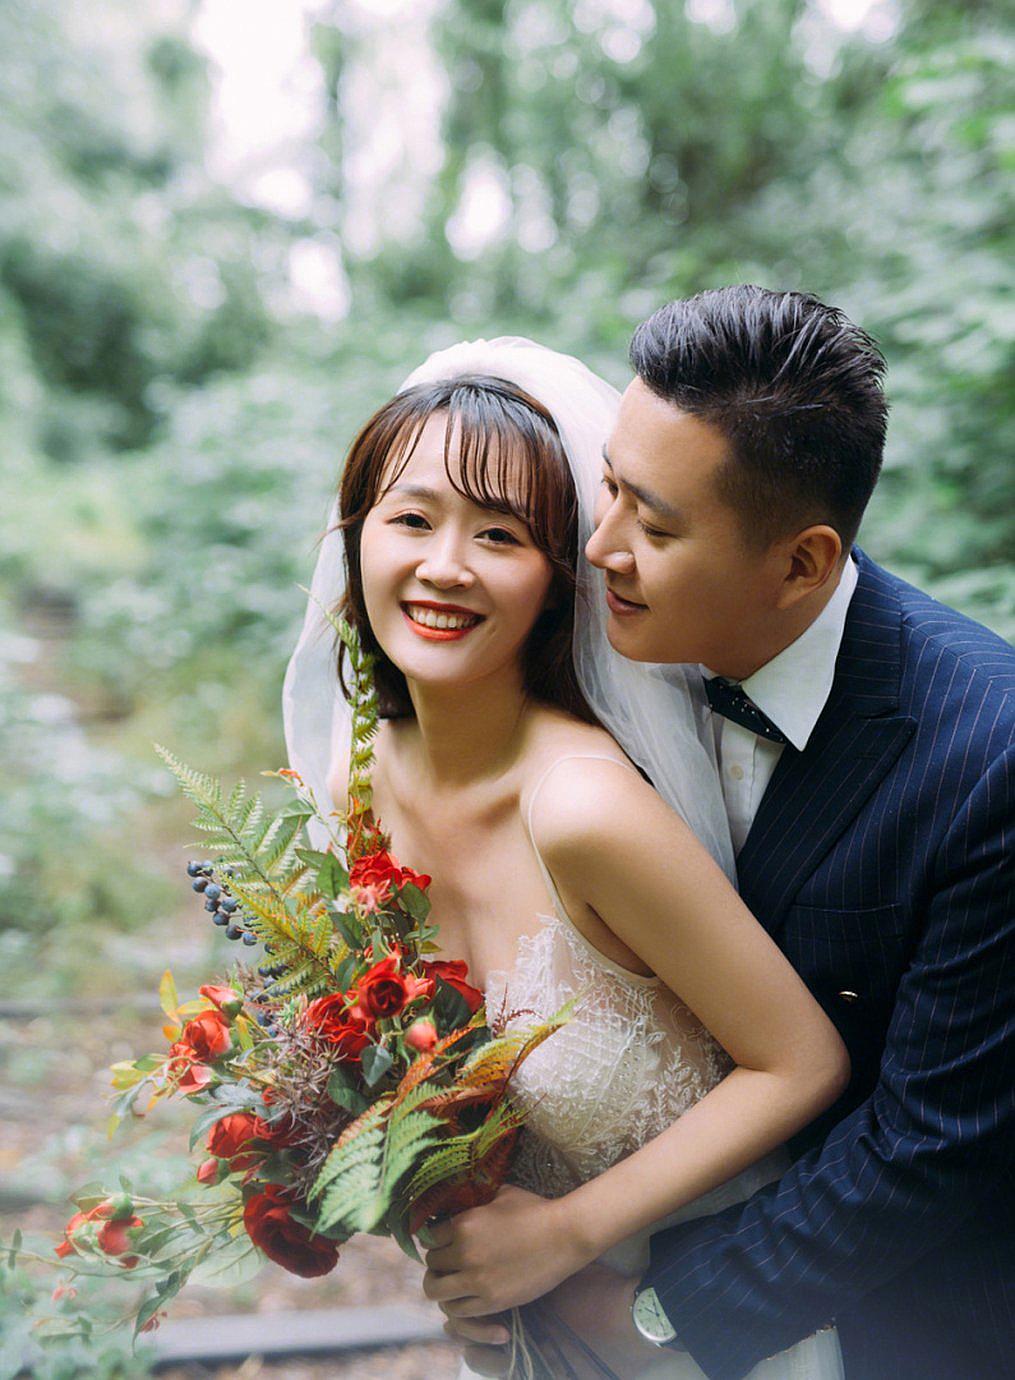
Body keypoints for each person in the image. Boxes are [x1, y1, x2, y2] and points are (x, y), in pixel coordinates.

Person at [441, 290, 1015, 1380]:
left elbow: (930, 1144)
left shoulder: (988, 758)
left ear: (800, 564)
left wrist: (657, 1316)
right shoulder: (584, 655)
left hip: (899, 1330)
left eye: (654, 528)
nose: (597, 547)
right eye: (608, 487)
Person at [283, 337, 850, 1379]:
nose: (444, 567)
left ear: (557, 579)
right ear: (355, 537)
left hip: (697, 1327)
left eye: (499, 534)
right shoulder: (355, 779)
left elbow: (800, 1063)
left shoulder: (584, 809)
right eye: (411, 519)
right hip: (525, 1334)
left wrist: (561, 1237)